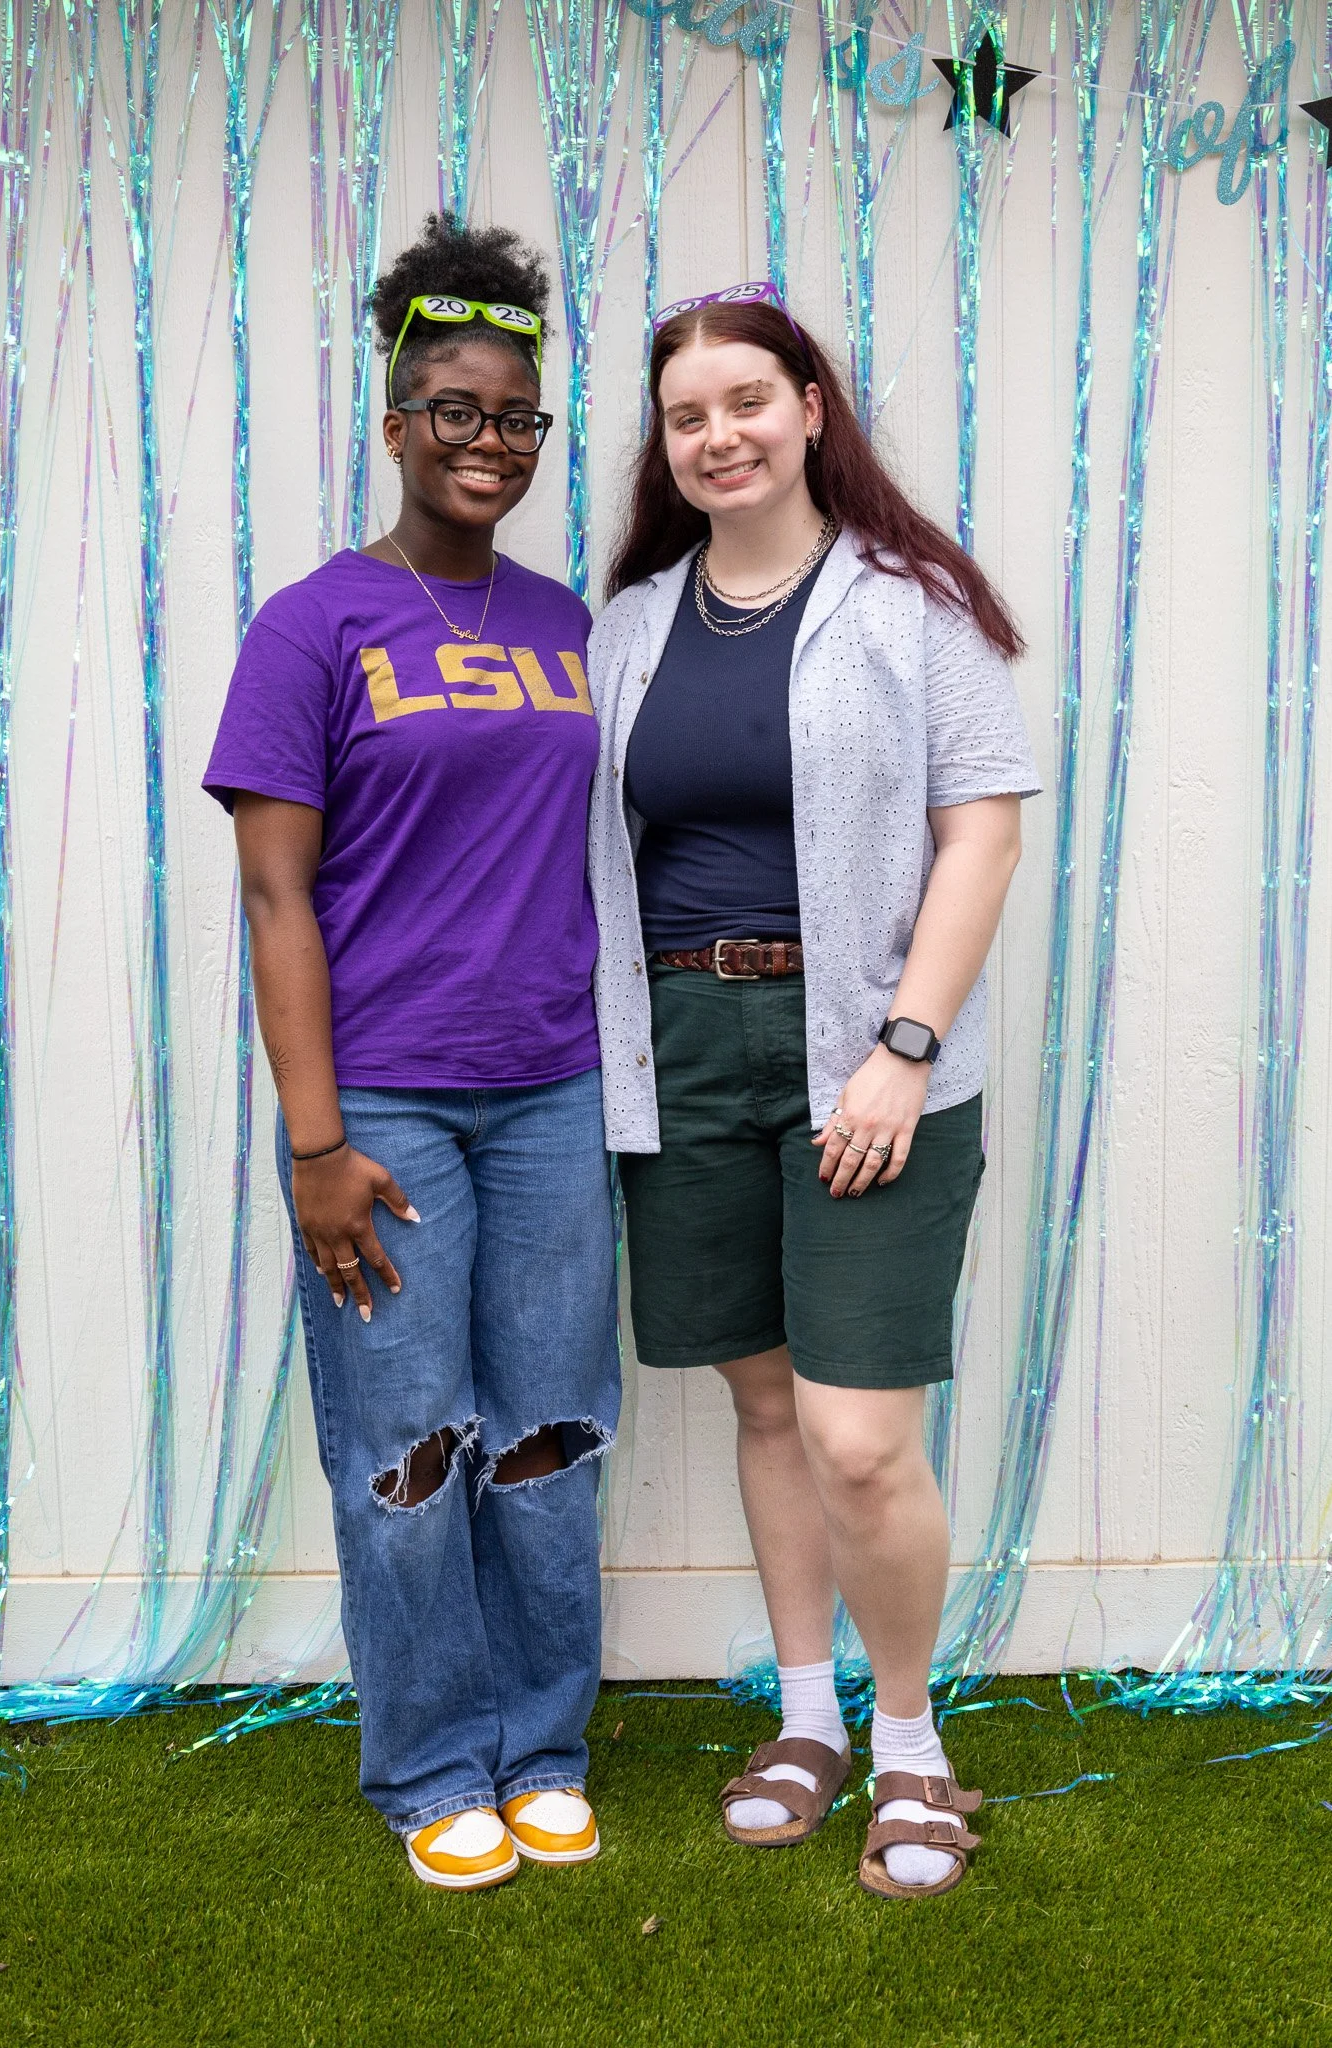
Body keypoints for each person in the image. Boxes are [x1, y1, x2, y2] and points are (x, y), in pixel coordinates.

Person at [586, 281, 1038, 1900]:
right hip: (682, 1055)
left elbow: (980, 830)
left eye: (746, 403)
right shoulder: (628, 625)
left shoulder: (916, 606)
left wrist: (903, 1052)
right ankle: (805, 1721)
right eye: (688, 415)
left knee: (861, 1435)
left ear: (810, 411)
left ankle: (912, 1748)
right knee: (767, 1406)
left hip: (870, 1052)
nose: (718, 435)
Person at [202, 214, 618, 1892]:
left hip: (555, 1088)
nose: (490, 444)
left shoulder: (569, 619)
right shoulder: (314, 624)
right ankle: (430, 1761)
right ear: (394, 421)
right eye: (456, 411)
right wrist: (315, 1144)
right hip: (381, 1099)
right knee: (406, 1445)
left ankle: (543, 1742)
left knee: (550, 1428)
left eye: (516, 418)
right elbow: (273, 894)